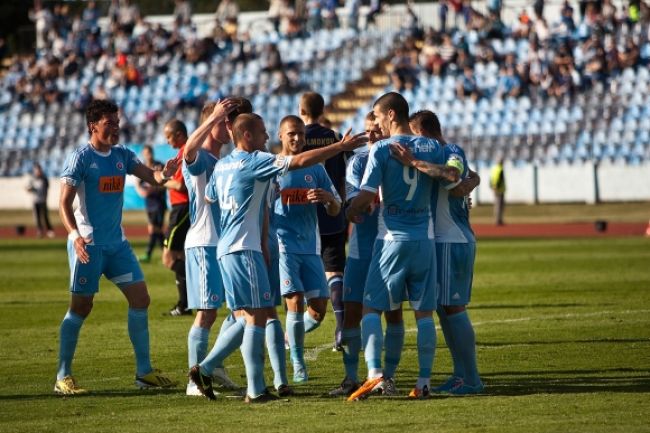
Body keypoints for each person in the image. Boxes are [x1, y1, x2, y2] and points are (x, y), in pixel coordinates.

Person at [190, 113, 367, 403]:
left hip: (227, 248)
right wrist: (339, 147)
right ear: (247, 135)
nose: (267, 137)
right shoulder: (255, 161)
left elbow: (209, 197)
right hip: (246, 249)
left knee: (247, 317)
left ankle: (207, 368)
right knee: (259, 316)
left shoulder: (222, 166)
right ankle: (255, 389)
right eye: (262, 132)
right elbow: (296, 162)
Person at [55, 99, 176, 395]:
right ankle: (62, 376)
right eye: (109, 123)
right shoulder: (80, 158)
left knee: (141, 299)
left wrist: (165, 173)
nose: (116, 128)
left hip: (117, 246)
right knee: (81, 308)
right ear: (92, 126)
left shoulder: (122, 154)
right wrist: (75, 236)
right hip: (90, 246)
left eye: (117, 122)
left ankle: (144, 372)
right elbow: (63, 203)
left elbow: (152, 177)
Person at [345, 92, 457, 401]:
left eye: (378, 116)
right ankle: (423, 381)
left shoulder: (382, 149)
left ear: (391, 114)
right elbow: (452, 179)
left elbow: (367, 196)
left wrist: (350, 210)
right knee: (423, 314)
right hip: (424, 239)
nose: (377, 123)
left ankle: (374, 374)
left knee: (371, 308)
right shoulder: (433, 147)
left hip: (391, 240)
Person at [396, 110, 484, 395]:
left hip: (452, 239)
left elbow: (453, 174)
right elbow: (466, 179)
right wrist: (473, 180)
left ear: (420, 132)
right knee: (445, 309)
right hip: (439, 239)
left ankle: (471, 379)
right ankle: (461, 376)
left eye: (412, 134)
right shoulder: (440, 153)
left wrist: (414, 161)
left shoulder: (450, 150)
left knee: (454, 308)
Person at [181, 99, 243, 396]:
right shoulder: (200, 158)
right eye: (224, 121)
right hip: (204, 242)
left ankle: (213, 363)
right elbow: (187, 151)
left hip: (225, 243)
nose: (229, 126)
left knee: (240, 309)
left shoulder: (222, 161)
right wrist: (211, 118)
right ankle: (195, 380)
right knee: (206, 313)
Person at [274, 115, 342, 384]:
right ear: (280, 135)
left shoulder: (316, 167)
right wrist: (301, 196)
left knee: (318, 309)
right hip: (283, 245)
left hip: (311, 247)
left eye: (301, 134)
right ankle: (298, 362)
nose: (297, 139)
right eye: (291, 134)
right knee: (294, 301)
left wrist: (327, 200)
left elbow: (336, 207)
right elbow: (271, 199)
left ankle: (288, 338)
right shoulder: (273, 165)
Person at [330, 111, 391, 397]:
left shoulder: (394, 159)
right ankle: (351, 378)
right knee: (352, 312)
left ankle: (383, 377)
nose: (371, 135)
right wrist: (354, 206)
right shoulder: (357, 162)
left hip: (388, 248)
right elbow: (353, 198)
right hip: (359, 251)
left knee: (392, 314)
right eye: (368, 131)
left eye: (376, 130)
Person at [299, 91, 347, 352]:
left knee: (298, 277)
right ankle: (341, 329)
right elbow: (341, 177)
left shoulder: (297, 138)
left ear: (301, 110)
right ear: (322, 109)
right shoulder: (334, 138)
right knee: (335, 271)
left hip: (304, 215)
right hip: (332, 211)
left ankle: (294, 334)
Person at [162, 119, 192, 316]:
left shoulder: (185, 153)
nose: (167, 141)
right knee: (180, 255)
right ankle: (184, 304)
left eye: (168, 136)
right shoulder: (184, 152)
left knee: (168, 257)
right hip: (181, 208)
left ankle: (194, 286)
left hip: (181, 208)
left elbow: (181, 186)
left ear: (179, 134)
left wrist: (161, 179)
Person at [135, 145, 166, 263]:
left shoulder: (159, 166)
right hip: (149, 203)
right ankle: (166, 252)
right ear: (143, 154)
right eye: (146, 153)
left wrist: (154, 188)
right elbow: (138, 183)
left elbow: (165, 183)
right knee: (156, 230)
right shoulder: (142, 167)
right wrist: (141, 191)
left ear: (152, 153)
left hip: (159, 202)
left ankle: (148, 254)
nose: (148, 155)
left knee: (154, 229)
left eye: (150, 152)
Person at [27, 162, 55, 238]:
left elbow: (47, 188)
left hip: (43, 200)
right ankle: (40, 231)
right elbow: (28, 188)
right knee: (37, 217)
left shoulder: (44, 178)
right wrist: (30, 189)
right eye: (36, 170)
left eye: (39, 170)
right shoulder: (32, 179)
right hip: (35, 201)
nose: (38, 171)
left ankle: (50, 230)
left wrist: (45, 197)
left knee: (45, 216)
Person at [490, 156, 506, 225]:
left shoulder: (494, 169)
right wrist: (496, 187)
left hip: (495, 189)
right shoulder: (500, 169)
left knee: (497, 205)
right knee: (499, 205)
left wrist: (492, 186)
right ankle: (498, 220)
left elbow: (491, 179)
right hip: (499, 190)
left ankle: (498, 219)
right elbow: (499, 180)